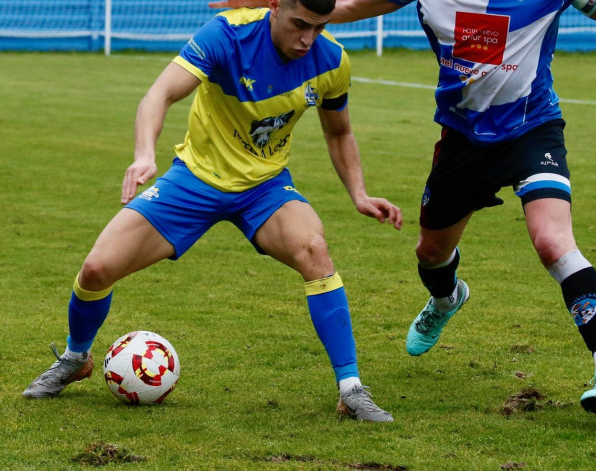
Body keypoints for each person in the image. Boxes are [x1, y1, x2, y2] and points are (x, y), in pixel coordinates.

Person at [211, 0, 596, 415]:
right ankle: (447, 298)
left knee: (552, 241)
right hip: (462, 140)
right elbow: (341, 8)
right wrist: (269, 6)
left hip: (532, 129)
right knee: (430, 252)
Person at [22, 0, 403, 423]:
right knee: (96, 269)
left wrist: (359, 193)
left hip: (264, 188)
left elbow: (340, 131)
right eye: (299, 25)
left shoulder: (331, 60)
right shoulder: (226, 34)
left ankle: (351, 389)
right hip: (194, 181)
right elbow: (159, 94)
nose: (307, 40)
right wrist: (144, 154)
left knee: (315, 251)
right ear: (274, 6)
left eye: (318, 27)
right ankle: (77, 357)